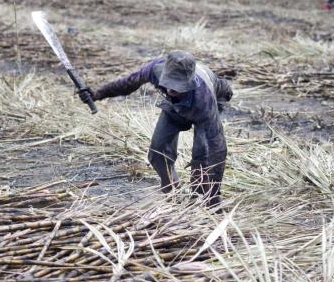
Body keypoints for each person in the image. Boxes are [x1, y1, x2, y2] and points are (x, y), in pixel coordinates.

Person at [80, 51, 232, 207]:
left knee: (202, 157)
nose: (173, 89)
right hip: (175, 106)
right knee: (158, 152)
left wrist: (214, 192)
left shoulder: (204, 99)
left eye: (179, 86)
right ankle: (174, 196)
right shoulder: (155, 69)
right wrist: (98, 94)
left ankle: (201, 201)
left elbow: (218, 148)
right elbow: (128, 83)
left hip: (204, 103)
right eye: (170, 83)